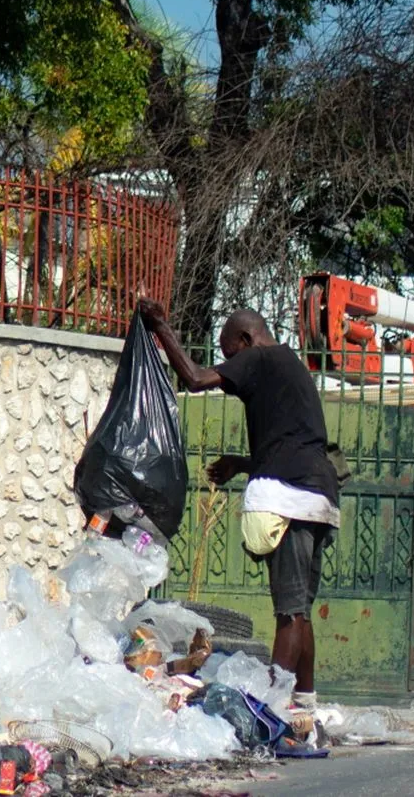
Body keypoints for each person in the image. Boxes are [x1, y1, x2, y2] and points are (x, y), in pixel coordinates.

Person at [137, 299, 340, 715]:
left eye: (231, 354)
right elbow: (294, 444)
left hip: (291, 496)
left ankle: (269, 710)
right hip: (320, 493)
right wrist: (241, 464)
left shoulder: (259, 358)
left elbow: (193, 379)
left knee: (287, 611)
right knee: (299, 611)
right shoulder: (292, 366)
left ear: (246, 339)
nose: (231, 365)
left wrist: (160, 325)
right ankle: (304, 702)